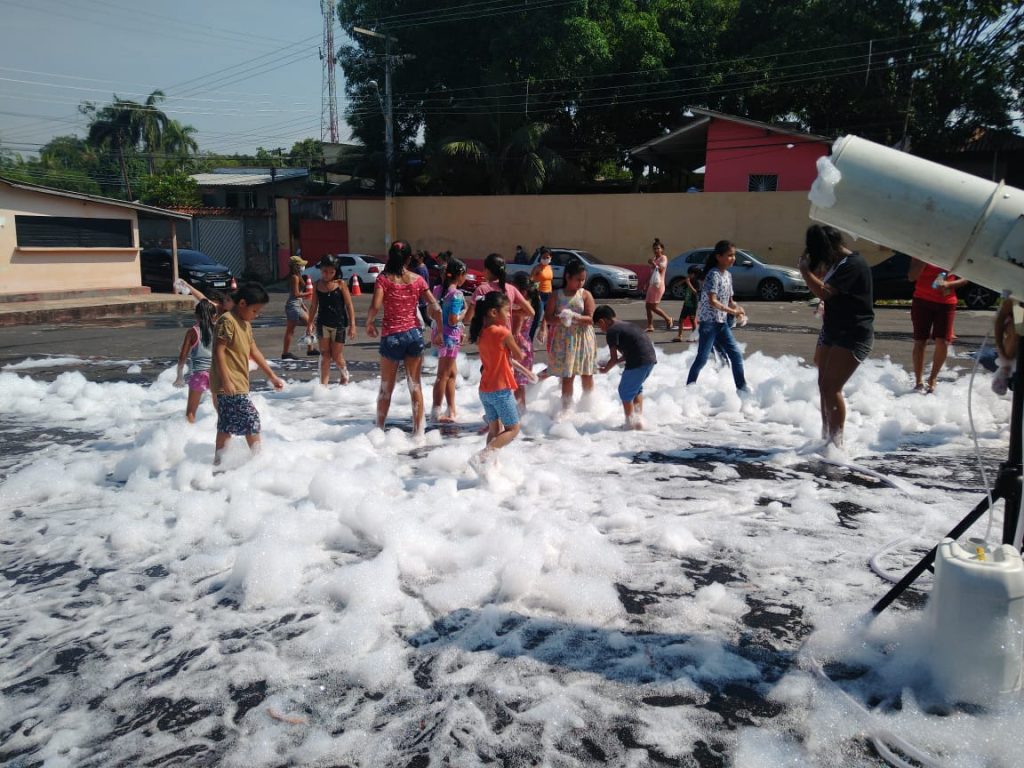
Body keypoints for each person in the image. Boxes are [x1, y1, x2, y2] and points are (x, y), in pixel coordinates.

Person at [798, 224, 873, 447]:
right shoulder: (839, 263)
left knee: (831, 387)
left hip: (853, 333)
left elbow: (824, 292)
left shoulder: (853, 264)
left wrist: (805, 271)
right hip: (834, 330)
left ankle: (836, 444)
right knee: (824, 386)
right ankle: (827, 438)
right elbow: (824, 285)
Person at [365, 240, 442, 434]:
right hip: (414, 335)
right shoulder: (417, 279)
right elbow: (435, 306)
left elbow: (375, 305)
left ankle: (379, 431)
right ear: (409, 259)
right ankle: (419, 433)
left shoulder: (383, 279)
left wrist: (369, 322)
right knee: (415, 386)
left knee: (385, 389)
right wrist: (440, 330)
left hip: (392, 336)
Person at [211, 283, 285, 464]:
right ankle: (258, 462)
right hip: (229, 383)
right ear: (242, 303)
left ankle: (219, 464)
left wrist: (272, 376)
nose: (256, 315)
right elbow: (219, 351)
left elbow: (254, 351)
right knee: (251, 419)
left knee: (226, 425)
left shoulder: (245, 324)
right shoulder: (227, 321)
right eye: (254, 310)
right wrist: (226, 380)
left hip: (238, 382)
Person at [469, 290, 526, 462]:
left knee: (494, 430)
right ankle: (482, 457)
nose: (509, 315)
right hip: (500, 390)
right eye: (506, 311)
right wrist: (520, 349)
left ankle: (488, 466)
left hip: (485, 389)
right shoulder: (503, 332)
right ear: (494, 312)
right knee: (513, 429)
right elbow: (519, 355)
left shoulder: (481, 332)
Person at [686, 240, 748, 392]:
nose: (733, 258)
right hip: (709, 323)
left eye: (734, 255)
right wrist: (732, 312)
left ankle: (742, 388)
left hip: (721, 322)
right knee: (702, 359)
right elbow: (712, 301)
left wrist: (739, 309)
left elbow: (730, 300)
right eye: (729, 255)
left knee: (736, 355)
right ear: (719, 257)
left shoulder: (728, 275)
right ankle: (688, 388)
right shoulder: (713, 274)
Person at [907, 255, 967, 394]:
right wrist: (924, 260)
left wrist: (949, 285)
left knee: (943, 341)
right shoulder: (921, 251)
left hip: (946, 302)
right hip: (922, 300)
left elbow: (966, 278)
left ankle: (932, 378)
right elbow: (911, 277)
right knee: (920, 341)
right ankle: (918, 381)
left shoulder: (956, 252)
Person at [546, 257, 597, 412]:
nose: (581, 283)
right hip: (564, 339)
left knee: (586, 373)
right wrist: (561, 319)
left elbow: (591, 319)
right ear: (567, 277)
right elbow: (548, 317)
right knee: (567, 376)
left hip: (583, 338)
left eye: (583, 280)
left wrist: (575, 317)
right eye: (578, 279)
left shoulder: (585, 294)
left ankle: (588, 406)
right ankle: (566, 409)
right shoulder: (556, 295)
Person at [595, 305, 657, 429]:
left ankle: (630, 424)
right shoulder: (627, 325)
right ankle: (638, 421)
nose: (600, 329)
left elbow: (613, 358)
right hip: (650, 360)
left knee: (625, 391)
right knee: (636, 389)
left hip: (638, 362)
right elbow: (629, 352)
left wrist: (605, 369)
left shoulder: (612, 331)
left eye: (598, 326)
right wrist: (612, 362)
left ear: (602, 321)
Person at [306, 255, 356, 386]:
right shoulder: (317, 285)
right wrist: (310, 323)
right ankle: (323, 386)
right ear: (320, 269)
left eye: (331, 272)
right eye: (324, 271)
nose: (327, 274)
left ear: (336, 271)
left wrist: (353, 325)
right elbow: (313, 306)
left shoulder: (340, 284)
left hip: (339, 324)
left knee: (337, 355)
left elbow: (349, 305)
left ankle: (345, 374)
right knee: (325, 355)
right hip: (322, 323)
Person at [431, 258, 468, 422]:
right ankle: (436, 412)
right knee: (443, 375)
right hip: (450, 338)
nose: (465, 278)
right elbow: (453, 320)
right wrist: (465, 313)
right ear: (459, 275)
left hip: (440, 334)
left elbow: (431, 313)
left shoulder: (438, 290)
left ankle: (451, 409)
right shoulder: (457, 294)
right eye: (465, 275)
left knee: (451, 373)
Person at [463, 253, 535, 331]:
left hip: (487, 334)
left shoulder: (481, 289)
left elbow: (467, 318)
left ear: (487, 270)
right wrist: (510, 312)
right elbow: (531, 312)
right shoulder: (511, 289)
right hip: (506, 334)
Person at [174, 298, 217, 423]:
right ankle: (224, 434)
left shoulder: (192, 332)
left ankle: (189, 433)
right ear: (214, 316)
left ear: (196, 315)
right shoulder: (219, 329)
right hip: (216, 373)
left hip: (199, 374)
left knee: (191, 412)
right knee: (220, 410)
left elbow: (182, 357)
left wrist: (179, 376)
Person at [511, 271, 542, 411]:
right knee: (519, 384)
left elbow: (515, 333)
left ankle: (520, 412)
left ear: (522, 291)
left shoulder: (519, 307)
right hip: (526, 345)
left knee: (516, 383)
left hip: (518, 346)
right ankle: (521, 411)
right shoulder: (529, 303)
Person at [281, 255, 315, 359]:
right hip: (293, 307)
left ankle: (310, 349)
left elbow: (296, 294)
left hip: (297, 305)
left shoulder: (297, 276)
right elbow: (296, 294)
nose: (303, 267)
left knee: (310, 325)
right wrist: (309, 293)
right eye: (301, 265)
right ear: (296, 266)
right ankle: (285, 353)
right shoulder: (294, 277)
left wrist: (303, 305)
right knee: (290, 330)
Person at [645, 238, 674, 332]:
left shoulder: (663, 258)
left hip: (658, 285)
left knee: (653, 307)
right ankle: (650, 326)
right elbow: (652, 273)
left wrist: (653, 263)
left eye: (658, 248)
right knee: (647, 306)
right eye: (654, 248)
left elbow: (661, 269)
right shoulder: (654, 258)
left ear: (662, 249)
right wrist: (646, 283)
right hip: (652, 285)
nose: (656, 250)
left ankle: (668, 319)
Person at [530, 247, 554, 344]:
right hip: (539, 295)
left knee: (549, 320)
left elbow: (549, 281)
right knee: (537, 319)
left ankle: (552, 342)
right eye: (543, 257)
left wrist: (552, 295)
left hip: (549, 295)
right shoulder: (537, 268)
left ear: (550, 257)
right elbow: (531, 281)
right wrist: (536, 293)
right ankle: (529, 341)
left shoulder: (550, 268)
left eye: (547, 257)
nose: (545, 259)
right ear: (540, 257)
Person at [672, 266, 702, 342]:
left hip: (693, 304)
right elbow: (677, 285)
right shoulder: (688, 280)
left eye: (690, 274)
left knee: (692, 320)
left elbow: (695, 292)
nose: (688, 275)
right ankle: (679, 336)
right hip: (686, 304)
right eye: (688, 274)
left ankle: (694, 337)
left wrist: (689, 283)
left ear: (695, 274)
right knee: (681, 319)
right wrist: (684, 281)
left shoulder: (697, 282)